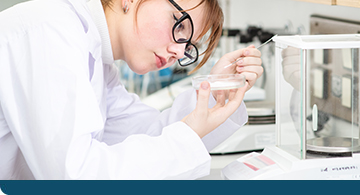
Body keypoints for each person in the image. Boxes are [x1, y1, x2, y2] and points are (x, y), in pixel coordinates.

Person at [0, 0, 263, 179]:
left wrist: (217, 95)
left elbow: (145, 135)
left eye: (189, 45)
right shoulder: (51, 30)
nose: (179, 51)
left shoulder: (98, 61)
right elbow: (74, 175)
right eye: (180, 24)